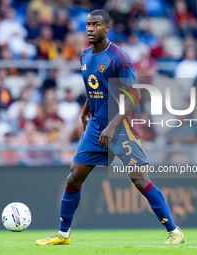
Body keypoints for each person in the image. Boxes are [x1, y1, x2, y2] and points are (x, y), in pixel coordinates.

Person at [35, 9, 185, 246]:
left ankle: (174, 231)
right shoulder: (85, 56)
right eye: (87, 25)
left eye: (95, 24)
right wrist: (86, 110)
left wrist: (113, 126)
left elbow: (133, 95)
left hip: (122, 125)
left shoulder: (119, 58)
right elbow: (96, 88)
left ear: (107, 27)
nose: (90, 29)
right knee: (74, 176)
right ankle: (63, 235)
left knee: (140, 179)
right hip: (97, 125)